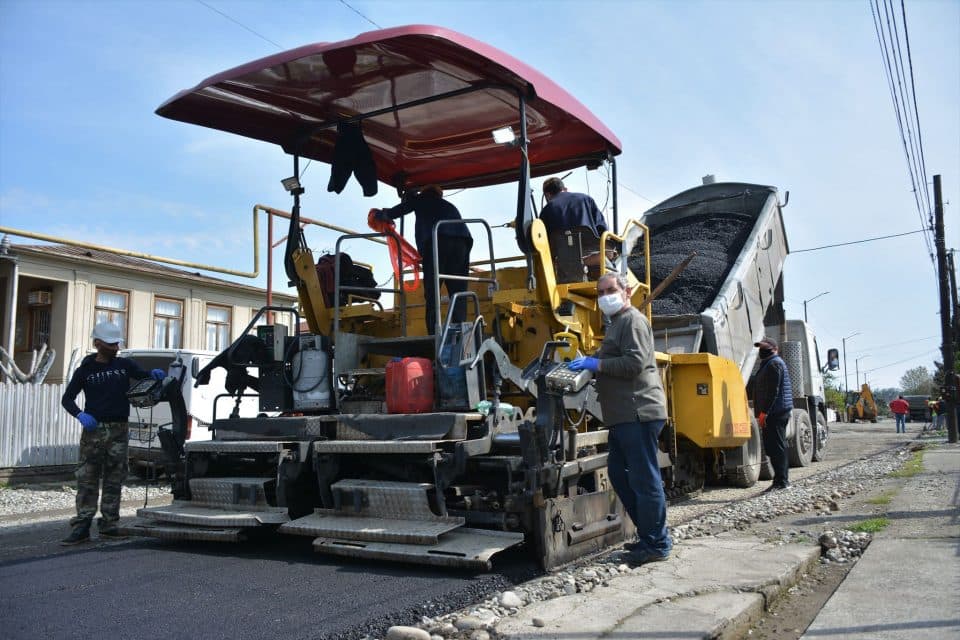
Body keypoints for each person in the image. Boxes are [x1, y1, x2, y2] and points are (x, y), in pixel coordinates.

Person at [568, 272, 671, 563]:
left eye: (610, 290)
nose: (605, 296)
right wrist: (591, 366)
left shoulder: (632, 321)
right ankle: (648, 535)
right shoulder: (617, 324)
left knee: (644, 479)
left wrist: (597, 364)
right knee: (619, 474)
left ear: (626, 292)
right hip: (622, 415)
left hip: (638, 411)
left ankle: (657, 543)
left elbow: (635, 363)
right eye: (600, 292)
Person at [59, 321, 165, 545]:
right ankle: (82, 527)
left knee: (114, 479)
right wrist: (80, 415)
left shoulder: (124, 365)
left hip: (119, 429)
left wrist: (153, 375)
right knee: (87, 479)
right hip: (94, 431)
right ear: (98, 343)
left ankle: (109, 525)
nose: (116, 347)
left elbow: (144, 375)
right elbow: (67, 399)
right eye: (111, 344)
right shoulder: (85, 370)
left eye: (117, 343)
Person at [375, 185, 472, 335]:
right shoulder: (447, 205)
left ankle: (434, 333)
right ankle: (460, 330)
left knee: (432, 292)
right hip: (462, 243)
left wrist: (382, 215)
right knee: (458, 290)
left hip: (438, 241)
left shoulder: (422, 200)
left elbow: (400, 209)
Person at [747, 337, 794, 491]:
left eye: (766, 348)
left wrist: (764, 412)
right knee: (773, 447)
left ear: (775, 349)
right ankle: (779, 480)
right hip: (773, 411)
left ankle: (782, 482)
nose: (762, 351)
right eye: (761, 348)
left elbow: (773, 391)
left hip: (776, 412)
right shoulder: (768, 364)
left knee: (777, 447)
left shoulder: (774, 364)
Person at [539, 176, 609, 238]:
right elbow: (602, 228)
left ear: (547, 195)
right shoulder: (586, 199)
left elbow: (541, 238)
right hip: (592, 247)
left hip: (561, 249)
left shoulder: (546, 210)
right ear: (565, 189)